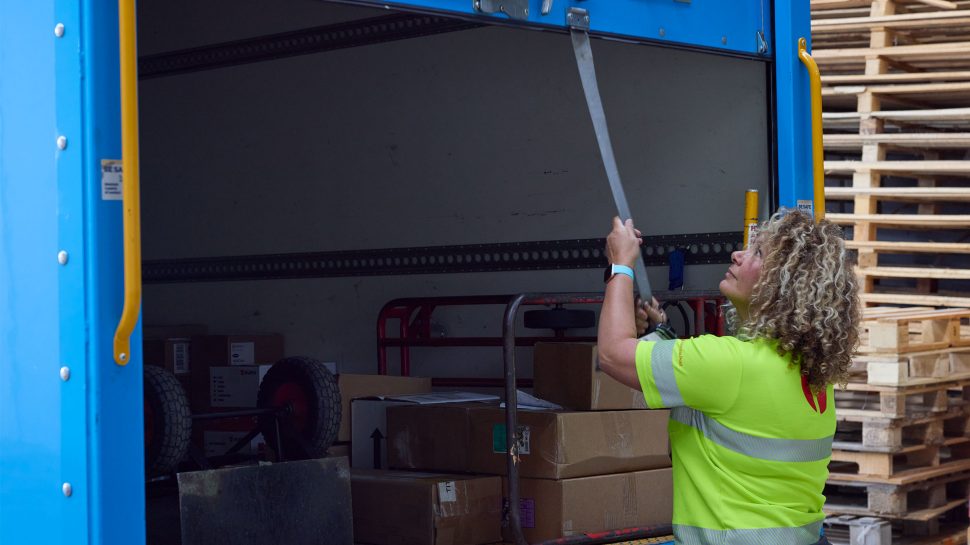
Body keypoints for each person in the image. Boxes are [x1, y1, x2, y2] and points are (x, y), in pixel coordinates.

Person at [597, 210, 860, 545]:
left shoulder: (731, 366)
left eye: (758, 253)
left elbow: (612, 353)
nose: (737, 254)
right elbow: (721, 398)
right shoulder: (811, 374)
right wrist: (660, 330)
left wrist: (620, 264)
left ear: (785, 285)